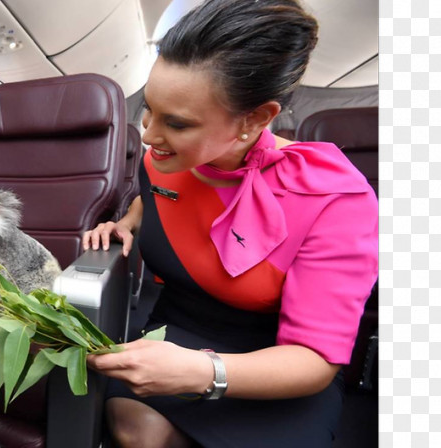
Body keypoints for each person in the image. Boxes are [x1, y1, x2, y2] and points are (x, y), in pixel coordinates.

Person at [82, 1, 378, 447]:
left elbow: (315, 359)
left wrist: (205, 371)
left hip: (278, 362)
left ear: (254, 120)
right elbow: (155, 202)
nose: (148, 134)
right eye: (149, 109)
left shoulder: (337, 198)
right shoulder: (160, 162)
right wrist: (126, 222)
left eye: (176, 123)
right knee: (135, 432)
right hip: (176, 327)